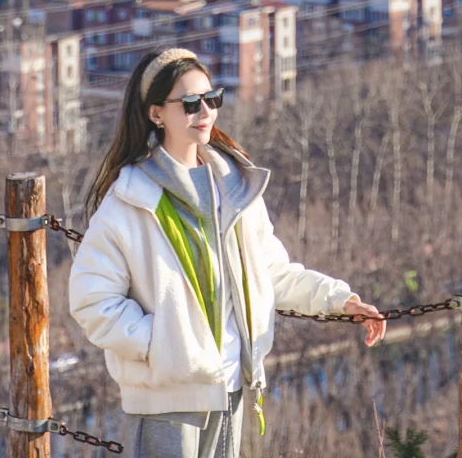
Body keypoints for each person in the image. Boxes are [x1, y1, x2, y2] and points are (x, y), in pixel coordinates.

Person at [69, 47, 385, 458]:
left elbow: (272, 272)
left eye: (211, 98)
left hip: (231, 387)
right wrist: (165, 348)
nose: (205, 111)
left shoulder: (234, 188)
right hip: (167, 402)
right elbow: (92, 301)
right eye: (189, 103)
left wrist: (340, 301)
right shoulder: (129, 201)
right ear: (156, 114)